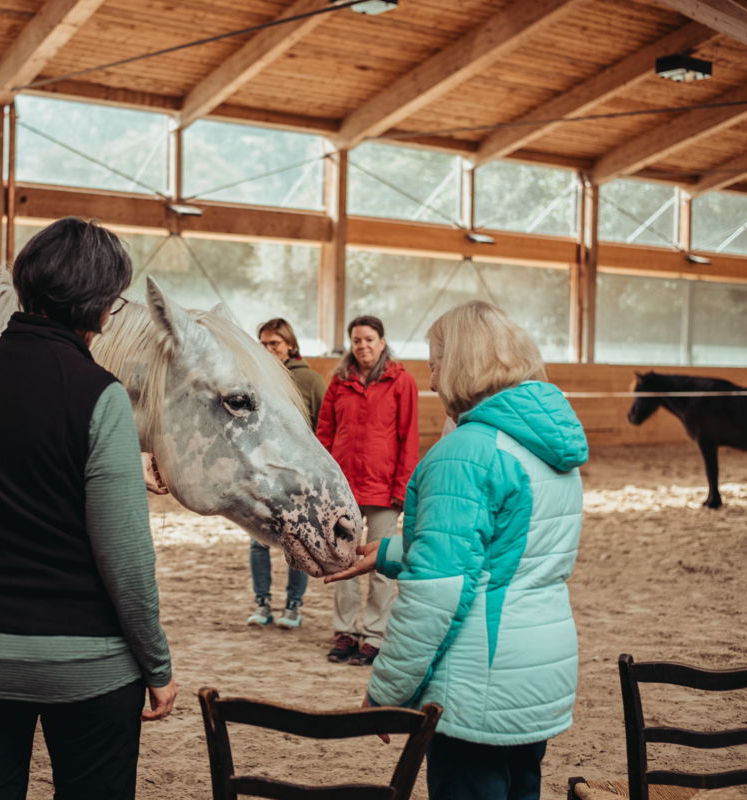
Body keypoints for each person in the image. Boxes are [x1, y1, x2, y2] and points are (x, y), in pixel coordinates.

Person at [0, 218, 176, 800]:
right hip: (84, 662)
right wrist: (156, 666)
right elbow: (126, 553)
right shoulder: (101, 394)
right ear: (101, 308)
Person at [326, 300, 587, 800]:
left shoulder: (466, 451)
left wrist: (386, 693)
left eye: (437, 362)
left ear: (465, 363)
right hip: (537, 666)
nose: (432, 378)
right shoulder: (546, 443)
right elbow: (502, 549)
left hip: (477, 678)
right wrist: (389, 552)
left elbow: (437, 592)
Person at [316, 315, 418, 666]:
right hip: (342, 488)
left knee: (382, 563)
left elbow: (408, 437)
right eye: (356, 340)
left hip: (383, 488)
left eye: (369, 339)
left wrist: (401, 488)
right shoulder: (339, 383)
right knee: (342, 559)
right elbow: (325, 434)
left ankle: (375, 634)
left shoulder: (401, 382)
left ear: (382, 342)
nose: (362, 346)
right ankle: (345, 631)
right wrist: (324, 484)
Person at [245, 317, 327, 629]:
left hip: (297, 477)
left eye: (274, 344)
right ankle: (262, 602)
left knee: (296, 541)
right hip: (261, 473)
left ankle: (294, 605)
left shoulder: (310, 381)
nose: (268, 349)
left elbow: (322, 427)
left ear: (290, 345)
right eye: (263, 344)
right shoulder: (254, 379)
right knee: (258, 541)